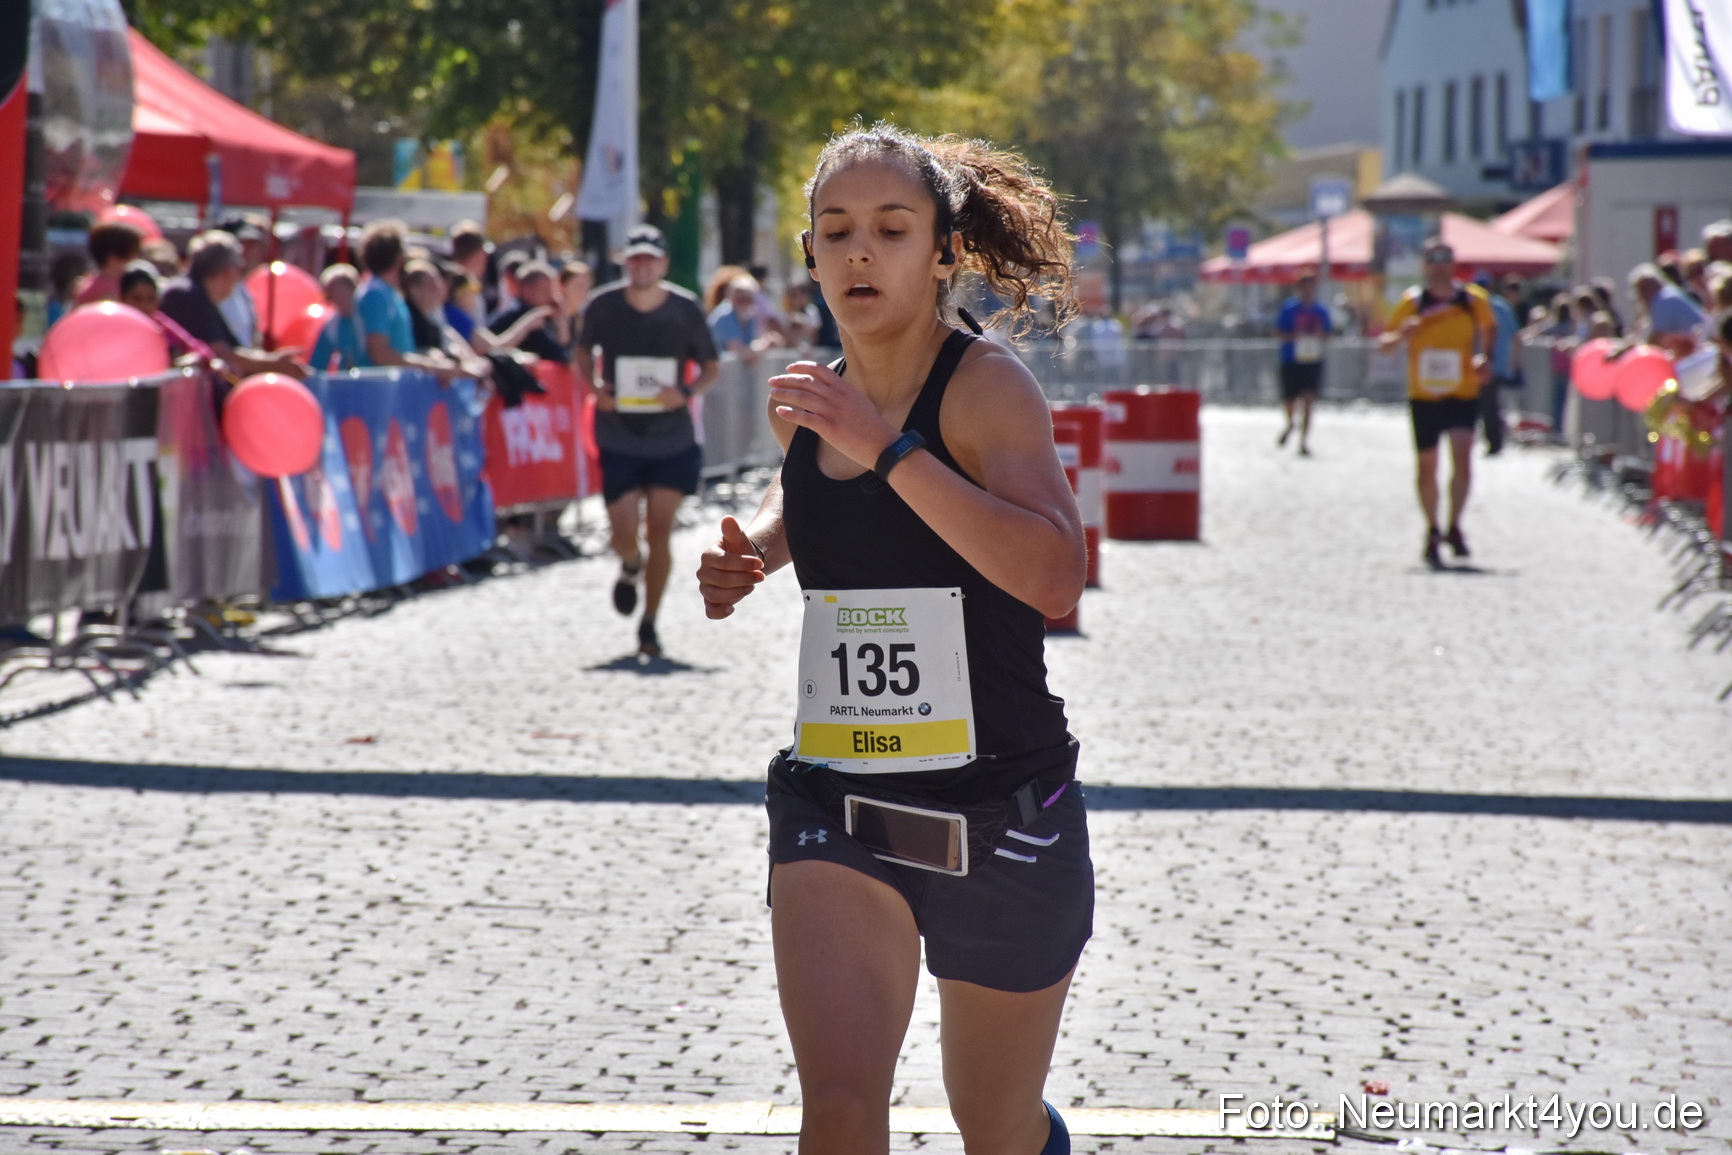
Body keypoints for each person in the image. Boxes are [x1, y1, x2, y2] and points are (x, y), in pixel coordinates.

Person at [694, 123, 1089, 1155]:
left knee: (993, 1123)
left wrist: (889, 448)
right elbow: (841, 516)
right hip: (840, 792)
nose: (859, 252)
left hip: (998, 799)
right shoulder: (806, 406)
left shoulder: (987, 389)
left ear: (943, 252)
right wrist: (761, 555)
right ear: (810, 255)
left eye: (890, 228)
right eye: (835, 231)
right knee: (837, 1105)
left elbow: (1053, 575)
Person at [575, 225, 720, 657]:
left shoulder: (685, 308)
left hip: (670, 438)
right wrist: (593, 389)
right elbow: (582, 354)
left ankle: (650, 623)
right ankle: (629, 563)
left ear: (663, 263)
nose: (641, 266)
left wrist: (687, 392)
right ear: (626, 263)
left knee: (661, 531)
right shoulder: (602, 305)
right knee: (622, 532)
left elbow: (712, 367)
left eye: (649, 259)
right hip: (618, 434)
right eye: (634, 259)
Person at [1380, 239, 1496, 567]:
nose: (1440, 266)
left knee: (1462, 455)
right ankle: (1432, 528)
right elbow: (1384, 345)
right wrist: (1402, 335)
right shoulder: (1412, 303)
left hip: (1462, 390)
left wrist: (1483, 357)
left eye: (1446, 259)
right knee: (1427, 464)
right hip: (1424, 393)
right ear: (1425, 266)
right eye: (1434, 260)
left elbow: (1490, 327)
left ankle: (1454, 524)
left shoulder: (1472, 301)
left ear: (1454, 264)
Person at [159, 231, 307, 380]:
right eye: (240, 268)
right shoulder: (185, 294)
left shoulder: (198, 294)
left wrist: (272, 361)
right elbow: (219, 352)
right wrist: (272, 363)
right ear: (228, 272)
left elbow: (231, 349)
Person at [353, 219, 458, 379]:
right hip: (377, 392)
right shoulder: (375, 295)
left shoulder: (388, 293)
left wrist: (430, 358)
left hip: (392, 391)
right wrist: (428, 365)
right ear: (397, 257)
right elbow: (380, 353)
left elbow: (400, 349)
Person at [1274, 270, 1332, 455]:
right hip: (1291, 359)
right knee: (1290, 401)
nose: (1307, 290)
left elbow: (1329, 334)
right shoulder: (1289, 308)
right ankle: (1291, 423)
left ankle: (1303, 442)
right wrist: (1294, 336)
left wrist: (1319, 335)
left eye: (1310, 287)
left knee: (1309, 400)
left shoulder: (1321, 310)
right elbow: (1278, 333)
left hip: (1312, 360)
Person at [118, 260, 212, 365]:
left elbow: (201, 350)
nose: (144, 306)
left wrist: (186, 361)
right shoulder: (114, 327)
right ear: (122, 299)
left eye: (151, 299)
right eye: (136, 299)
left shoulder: (159, 324)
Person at [488, 261, 568, 363]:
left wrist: (561, 322)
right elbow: (558, 356)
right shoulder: (519, 317)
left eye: (551, 291)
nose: (551, 297)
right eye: (545, 290)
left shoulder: (547, 318)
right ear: (527, 289)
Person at [1474, 272, 1519, 455]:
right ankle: (1494, 439)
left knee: (1487, 404)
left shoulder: (1478, 306)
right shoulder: (1502, 306)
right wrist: (1516, 362)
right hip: (1497, 363)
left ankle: (1494, 441)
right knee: (1491, 404)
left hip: (1485, 363)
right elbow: (1516, 335)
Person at [709, 273, 784, 366]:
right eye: (740, 298)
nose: (744, 303)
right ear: (730, 297)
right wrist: (765, 345)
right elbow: (741, 351)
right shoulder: (723, 317)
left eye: (748, 299)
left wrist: (766, 341)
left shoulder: (750, 316)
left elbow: (750, 348)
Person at [309, 264, 365, 372]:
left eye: (345, 294)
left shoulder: (368, 316)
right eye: (335, 295)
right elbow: (317, 364)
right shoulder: (332, 325)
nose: (341, 300)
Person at [73, 221, 144, 306]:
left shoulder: (132, 282)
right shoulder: (91, 289)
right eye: (133, 249)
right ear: (113, 254)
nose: (138, 255)